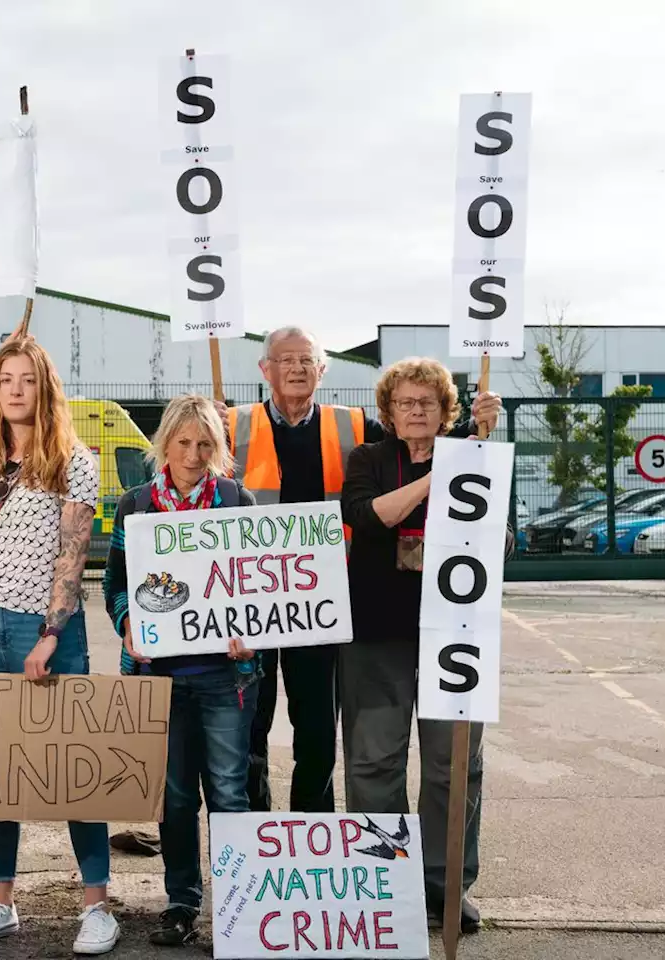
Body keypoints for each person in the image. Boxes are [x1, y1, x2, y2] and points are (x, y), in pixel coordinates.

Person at [215, 326, 502, 814]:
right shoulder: (233, 423)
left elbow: (429, 453)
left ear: (323, 370)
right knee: (246, 733)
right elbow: (194, 468)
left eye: (307, 360)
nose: (297, 368)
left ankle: (314, 840)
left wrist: (478, 433)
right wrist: (208, 426)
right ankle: (256, 846)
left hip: (325, 604)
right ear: (264, 369)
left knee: (319, 737)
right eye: (285, 360)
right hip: (253, 601)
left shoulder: (355, 427)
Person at [0, 337, 118, 956]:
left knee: (72, 760)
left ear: (44, 389)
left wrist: (52, 633)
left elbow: (73, 557)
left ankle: (96, 906)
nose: (13, 389)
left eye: (26, 380)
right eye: (4, 379)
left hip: (47, 627)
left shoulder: (75, 460)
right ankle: (2, 903)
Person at [340, 357, 511, 934]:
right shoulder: (367, 459)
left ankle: (445, 884)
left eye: (428, 403)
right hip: (375, 633)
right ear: (388, 411)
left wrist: (475, 459)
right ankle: (384, 882)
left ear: (446, 411)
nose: (416, 412)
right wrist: (441, 476)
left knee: (452, 765)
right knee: (373, 762)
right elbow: (367, 517)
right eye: (406, 403)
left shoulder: (477, 457)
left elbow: (502, 541)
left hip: (455, 636)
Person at [103, 394, 259, 948]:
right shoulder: (136, 506)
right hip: (157, 679)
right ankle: (181, 902)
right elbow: (115, 584)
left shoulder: (238, 502)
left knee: (229, 793)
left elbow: (257, 586)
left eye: (205, 444)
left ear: (219, 449)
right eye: (184, 442)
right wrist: (128, 623)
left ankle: (241, 911)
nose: (194, 455)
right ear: (164, 443)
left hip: (225, 676)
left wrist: (252, 634)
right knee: (172, 796)